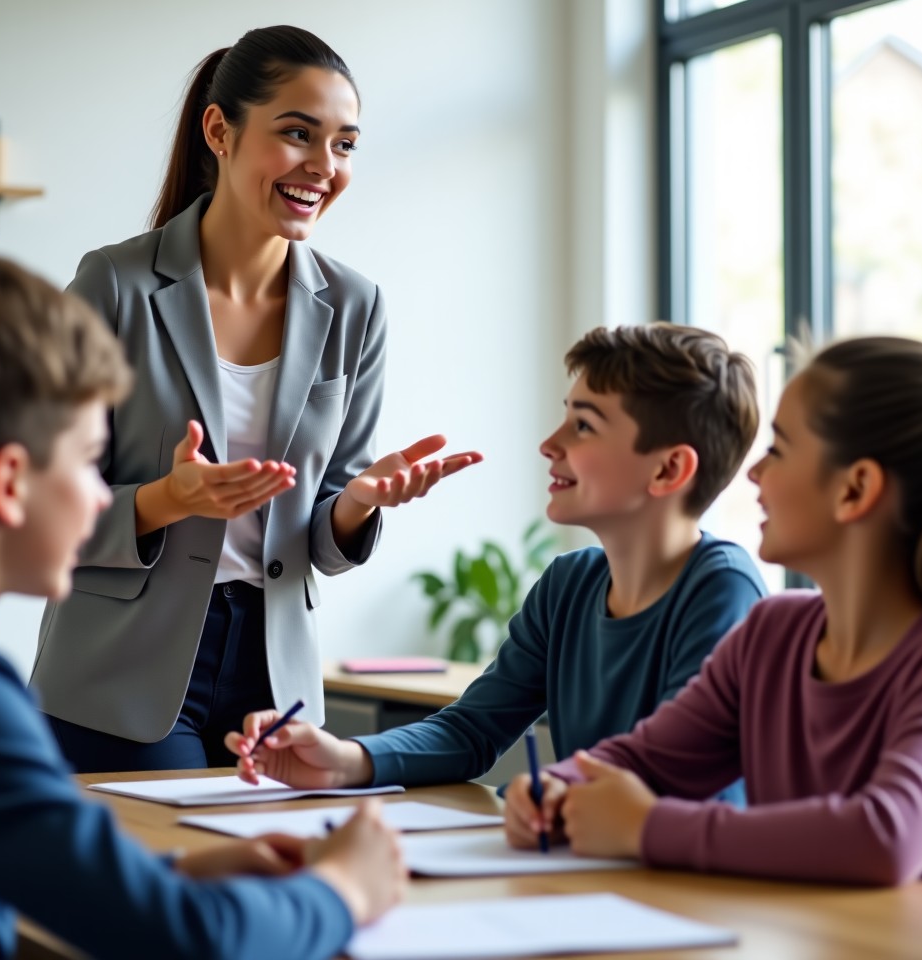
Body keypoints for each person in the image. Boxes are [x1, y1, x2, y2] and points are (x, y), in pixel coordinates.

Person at [0, 246, 406, 960]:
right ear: (8, 483)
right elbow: (186, 941)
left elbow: (34, 869)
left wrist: (177, 872)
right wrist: (342, 889)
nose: (101, 496)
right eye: (90, 461)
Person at [28, 25, 482, 772]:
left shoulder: (356, 305)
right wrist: (167, 500)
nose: (323, 166)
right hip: (120, 673)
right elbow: (45, 506)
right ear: (220, 130)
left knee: (265, 875)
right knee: (164, 884)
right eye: (298, 134)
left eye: (345, 145)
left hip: (275, 679)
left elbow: (321, 534)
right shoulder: (114, 286)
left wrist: (358, 502)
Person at [225, 324, 765, 795]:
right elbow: (472, 732)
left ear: (669, 470)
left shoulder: (722, 590)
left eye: (584, 426)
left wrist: (544, 792)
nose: (549, 445)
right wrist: (344, 761)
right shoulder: (568, 585)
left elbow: (666, 770)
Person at [503, 335, 922, 886]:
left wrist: (647, 827)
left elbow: (887, 837)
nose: (754, 473)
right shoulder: (771, 635)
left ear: (854, 489)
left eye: (779, 449)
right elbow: (643, 758)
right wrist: (560, 787)